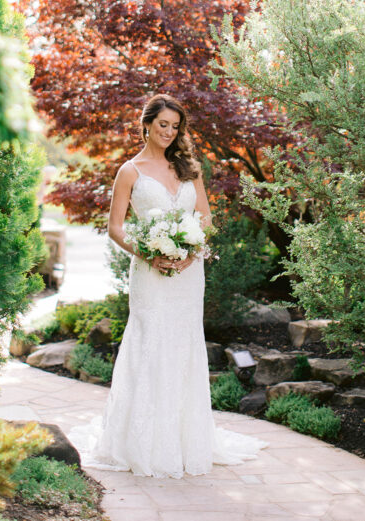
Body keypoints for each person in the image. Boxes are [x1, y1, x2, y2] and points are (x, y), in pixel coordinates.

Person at [67, 94, 267, 478]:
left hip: (189, 275)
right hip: (150, 274)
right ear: (146, 125)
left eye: (175, 127)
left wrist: (193, 251)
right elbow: (115, 228)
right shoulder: (130, 171)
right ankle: (142, 442)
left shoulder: (189, 167)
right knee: (150, 344)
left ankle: (185, 439)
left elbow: (205, 218)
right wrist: (147, 253)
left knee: (183, 346)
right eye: (163, 125)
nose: (169, 132)